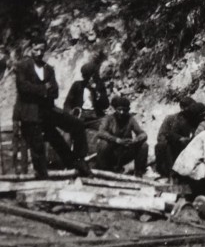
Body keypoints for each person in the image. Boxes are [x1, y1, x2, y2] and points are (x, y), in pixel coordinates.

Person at [14, 35, 90, 179]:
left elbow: (54, 92)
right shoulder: (22, 67)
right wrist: (43, 89)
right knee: (39, 147)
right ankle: (43, 177)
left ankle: (79, 160)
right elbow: (23, 88)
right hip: (31, 114)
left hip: (48, 110)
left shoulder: (48, 69)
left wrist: (40, 90)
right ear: (30, 49)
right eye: (36, 50)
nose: (39, 53)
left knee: (77, 124)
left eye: (42, 50)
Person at [96, 96, 148, 177]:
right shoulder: (109, 118)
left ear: (128, 110)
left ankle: (139, 173)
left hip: (125, 152)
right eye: (119, 110)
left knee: (144, 145)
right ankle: (103, 170)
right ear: (115, 109)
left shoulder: (130, 119)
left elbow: (143, 134)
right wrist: (116, 140)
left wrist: (135, 140)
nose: (121, 112)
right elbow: (101, 132)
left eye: (124, 110)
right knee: (103, 143)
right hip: (111, 153)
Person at [154, 101, 205, 177]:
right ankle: (169, 172)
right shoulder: (180, 120)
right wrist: (180, 138)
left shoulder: (202, 122)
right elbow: (169, 134)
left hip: (194, 148)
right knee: (165, 146)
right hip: (180, 145)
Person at [64, 61, 109, 128]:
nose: (91, 79)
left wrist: (96, 91)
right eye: (88, 77)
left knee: (106, 126)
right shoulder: (77, 85)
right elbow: (67, 103)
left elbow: (105, 105)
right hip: (80, 116)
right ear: (84, 76)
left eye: (93, 76)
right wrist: (70, 114)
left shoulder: (100, 86)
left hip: (95, 117)